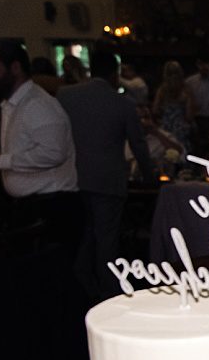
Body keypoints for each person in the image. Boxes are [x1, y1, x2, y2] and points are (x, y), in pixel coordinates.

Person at [59, 48, 153, 294]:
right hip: (107, 181)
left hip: (72, 179)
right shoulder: (122, 103)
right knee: (106, 242)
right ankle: (108, 295)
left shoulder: (66, 96)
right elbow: (139, 144)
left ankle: (81, 285)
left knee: (87, 235)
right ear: (115, 73)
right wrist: (151, 176)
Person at [0, 40, 79, 204]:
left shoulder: (38, 104)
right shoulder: (14, 104)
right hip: (36, 203)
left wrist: (2, 160)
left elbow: (54, 153)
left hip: (52, 203)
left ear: (15, 68)